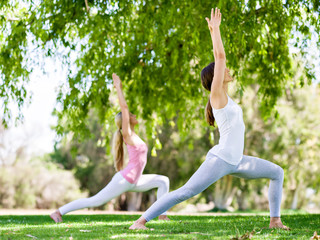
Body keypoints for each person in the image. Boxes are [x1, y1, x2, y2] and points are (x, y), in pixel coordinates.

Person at [129, 8, 289, 230]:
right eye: (223, 68)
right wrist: (216, 30)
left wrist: (215, 32)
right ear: (216, 77)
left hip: (238, 161)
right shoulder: (217, 96)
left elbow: (220, 59)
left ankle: (275, 221)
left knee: (277, 172)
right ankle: (140, 221)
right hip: (221, 160)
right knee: (186, 192)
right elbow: (220, 57)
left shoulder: (227, 98)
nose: (228, 68)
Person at [50, 73, 170, 223]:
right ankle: (58, 212)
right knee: (94, 201)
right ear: (126, 120)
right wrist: (118, 87)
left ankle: (162, 215)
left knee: (163, 181)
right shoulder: (127, 134)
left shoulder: (134, 136)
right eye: (130, 115)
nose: (133, 116)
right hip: (124, 180)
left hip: (136, 181)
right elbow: (124, 108)